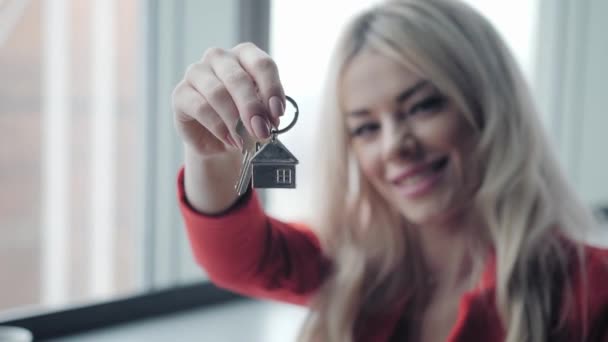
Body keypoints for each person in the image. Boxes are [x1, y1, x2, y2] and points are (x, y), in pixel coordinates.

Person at [171, 0, 608, 341]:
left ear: (488, 105)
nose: (395, 145)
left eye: (422, 106)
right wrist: (212, 152)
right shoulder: (352, 265)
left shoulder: (592, 289)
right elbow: (235, 260)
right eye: (364, 128)